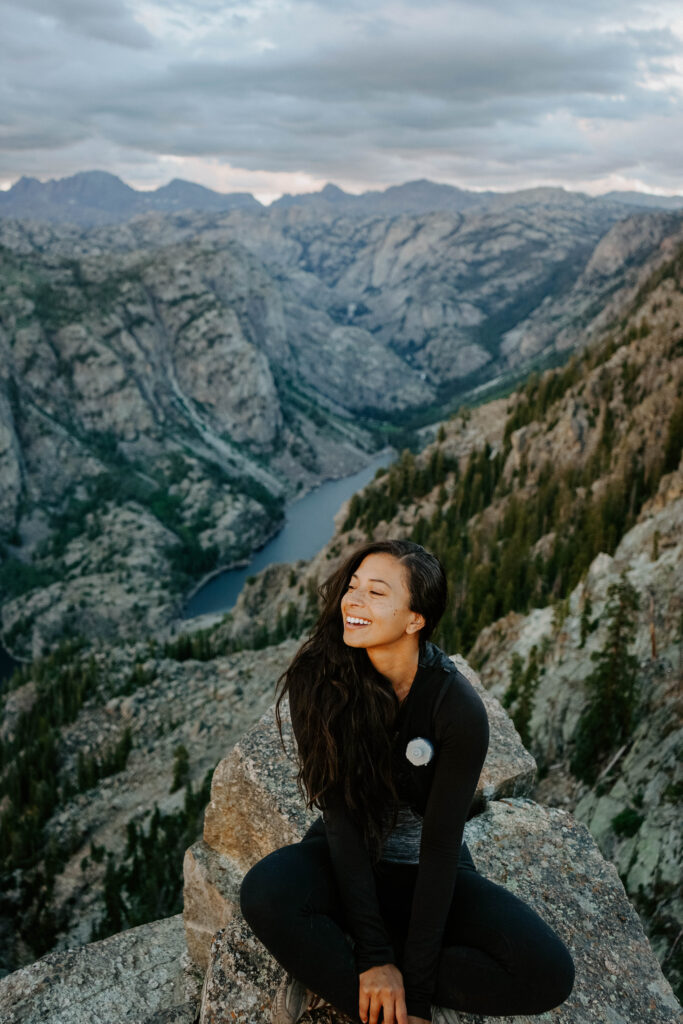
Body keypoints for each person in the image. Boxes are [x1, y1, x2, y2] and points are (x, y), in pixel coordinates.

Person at [239, 539, 575, 1024]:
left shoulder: (455, 708)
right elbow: (340, 820)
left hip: (427, 870)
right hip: (349, 856)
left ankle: (342, 962)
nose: (352, 601)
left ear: (415, 619)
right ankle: (368, 976)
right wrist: (376, 958)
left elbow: (440, 848)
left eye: (376, 593)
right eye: (352, 586)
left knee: (546, 973)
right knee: (265, 894)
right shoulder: (319, 677)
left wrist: (414, 992)